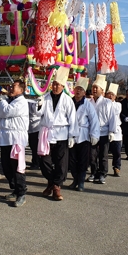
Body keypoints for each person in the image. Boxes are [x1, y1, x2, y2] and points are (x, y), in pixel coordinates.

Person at [38, 67, 78, 201]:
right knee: (44, 161)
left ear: (62, 86)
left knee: (61, 162)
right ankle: (51, 180)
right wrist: (38, 105)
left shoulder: (67, 100)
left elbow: (73, 118)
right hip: (47, 133)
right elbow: (37, 114)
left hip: (62, 134)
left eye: (58, 85)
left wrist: (72, 135)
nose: (55, 86)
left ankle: (56, 186)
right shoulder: (45, 97)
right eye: (53, 84)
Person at [0, 79, 30, 207]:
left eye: (13, 86)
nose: (10, 88)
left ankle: (21, 193)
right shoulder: (9, 101)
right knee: (6, 166)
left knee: (17, 167)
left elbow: (6, 112)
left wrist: (2, 101)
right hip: (5, 137)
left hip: (17, 139)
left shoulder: (22, 102)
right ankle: (15, 188)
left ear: (21, 89)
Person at [68, 77, 99, 191]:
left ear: (84, 92)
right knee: (71, 161)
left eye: (80, 89)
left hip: (83, 135)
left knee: (83, 160)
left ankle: (80, 181)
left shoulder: (87, 104)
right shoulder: (69, 102)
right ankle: (75, 178)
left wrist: (94, 135)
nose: (78, 91)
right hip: (71, 135)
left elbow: (94, 120)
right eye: (77, 89)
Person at [89, 75, 117, 184]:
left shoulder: (107, 102)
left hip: (104, 132)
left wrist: (111, 131)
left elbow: (112, 118)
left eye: (97, 88)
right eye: (93, 87)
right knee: (92, 155)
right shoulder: (89, 102)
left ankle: (102, 173)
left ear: (102, 90)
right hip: (92, 133)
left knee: (103, 155)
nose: (95, 89)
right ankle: (93, 172)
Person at [106, 83, 122, 177]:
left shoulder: (118, 105)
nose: (110, 96)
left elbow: (114, 112)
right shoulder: (102, 104)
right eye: (109, 94)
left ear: (115, 96)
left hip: (116, 132)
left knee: (117, 152)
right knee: (103, 153)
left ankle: (117, 167)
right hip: (105, 130)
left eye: (112, 94)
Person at [27, 101, 42, 170]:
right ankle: (34, 161)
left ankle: (37, 163)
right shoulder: (28, 100)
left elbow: (36, 112)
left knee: (35, 145)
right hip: (30, 126)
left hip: (36, 126)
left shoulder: (36, 101)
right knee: (32, 145)